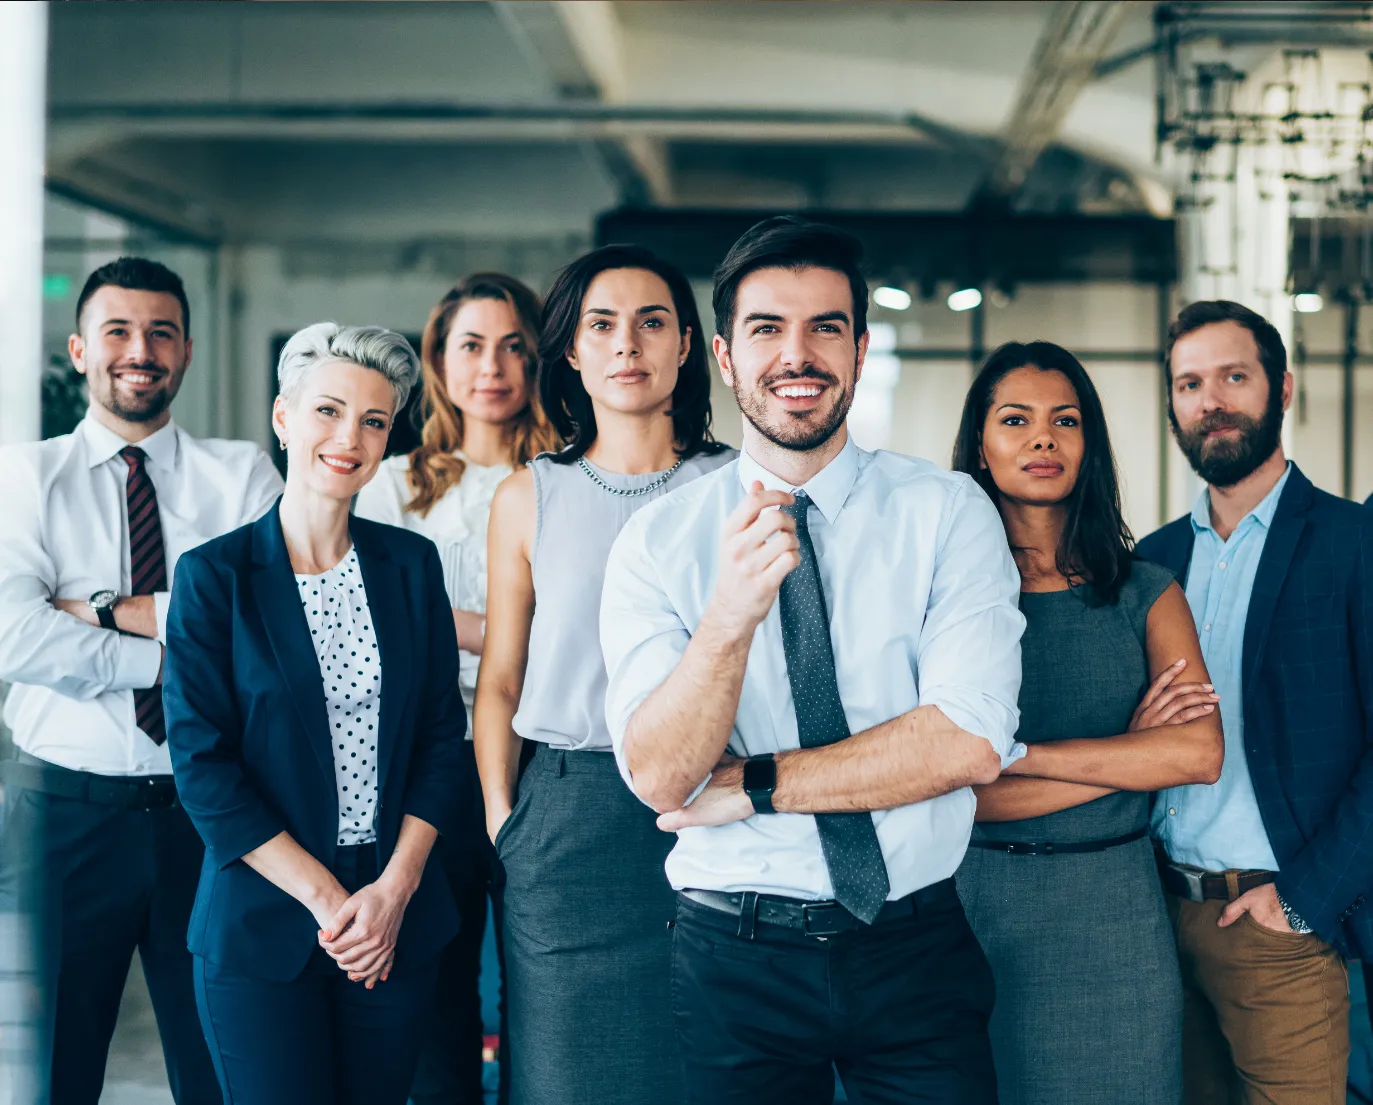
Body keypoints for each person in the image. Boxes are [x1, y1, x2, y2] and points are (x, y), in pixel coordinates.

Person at [600, 216, 1025, 1105]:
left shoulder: (947, 512)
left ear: (861, 349)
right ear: (721, 355)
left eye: (824, 327)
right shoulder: (658, 542)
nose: (798, 355)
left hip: (913, 943)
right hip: (732, 956)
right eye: (766, 329)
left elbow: (966, 742)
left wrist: (755, 783)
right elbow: (658, 776)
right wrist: (728, 617)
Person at [161, 323, 467, 1105]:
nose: (349, 437)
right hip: (265, 919)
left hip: (394, 912)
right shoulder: (213, 577)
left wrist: (392, 893)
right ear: (283, 417)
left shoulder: (409, 565)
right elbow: (203, 768)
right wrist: (336, 907)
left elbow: (440, 736)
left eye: (373, 420)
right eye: (328, 411)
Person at [0, 257, 281, 1105]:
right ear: (82, 349)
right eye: (118, 330)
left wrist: (95, 608)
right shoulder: (22, 478)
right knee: (48, 1074)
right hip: (60, 819)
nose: (140, 349)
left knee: (227, 1069)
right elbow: (16, 636)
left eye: (161, 331)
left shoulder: (243, 477)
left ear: (188, 350)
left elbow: (267, 633)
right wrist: (178, 649)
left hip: (213, 818)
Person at [475, 244, 732, 1105]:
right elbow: (502, 680)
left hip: (712, 806)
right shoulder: (527, 496)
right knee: (564, 1074)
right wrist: (504, 819)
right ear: (571, 352)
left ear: (688, 346)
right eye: (602, 325)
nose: (629, 343)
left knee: (703, 1064)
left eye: (652, 321)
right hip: (566, 814)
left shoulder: (738, 486)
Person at [950, 341, 1223, 1105]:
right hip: (974, 911)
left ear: (1087, 442)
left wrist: (1017, 756)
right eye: (1016, 420)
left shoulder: (1145, 591)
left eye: (1064, 420)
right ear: (980, 441)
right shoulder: (942, 600)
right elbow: (952, 793)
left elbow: (1197, 753)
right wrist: (1133, 755)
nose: (1043, 438)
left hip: (1114, 919)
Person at [1136, 299, 1373, 1105]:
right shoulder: (1150, 561)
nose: (1211, 400)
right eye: (1189, 383)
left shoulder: (1352, 542)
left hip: (1279, 922)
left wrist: (1305, 900)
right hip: (1161, 917)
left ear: (1282, 389)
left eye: (1233, 376)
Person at [354, 273, 558, 1105]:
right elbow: (369, 619)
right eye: (472, 344)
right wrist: (508, 626)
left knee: (539, 979)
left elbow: (586, 631)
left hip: (542, 746)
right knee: (437, 980)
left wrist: (443, 616)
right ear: (438, 360)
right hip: (427, 753)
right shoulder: (391, 483)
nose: (494, 366)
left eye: (514, 344)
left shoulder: (569, 481)